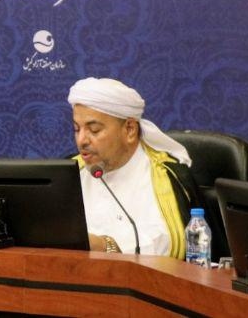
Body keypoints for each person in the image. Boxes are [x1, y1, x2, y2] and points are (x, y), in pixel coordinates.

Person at [68, 77, 198, 258]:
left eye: (94, 130)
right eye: (77, 129)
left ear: (130, 129)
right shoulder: (72, 171)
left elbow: (171, 242)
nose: (82, 140)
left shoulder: (163, 174)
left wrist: (107, 246)